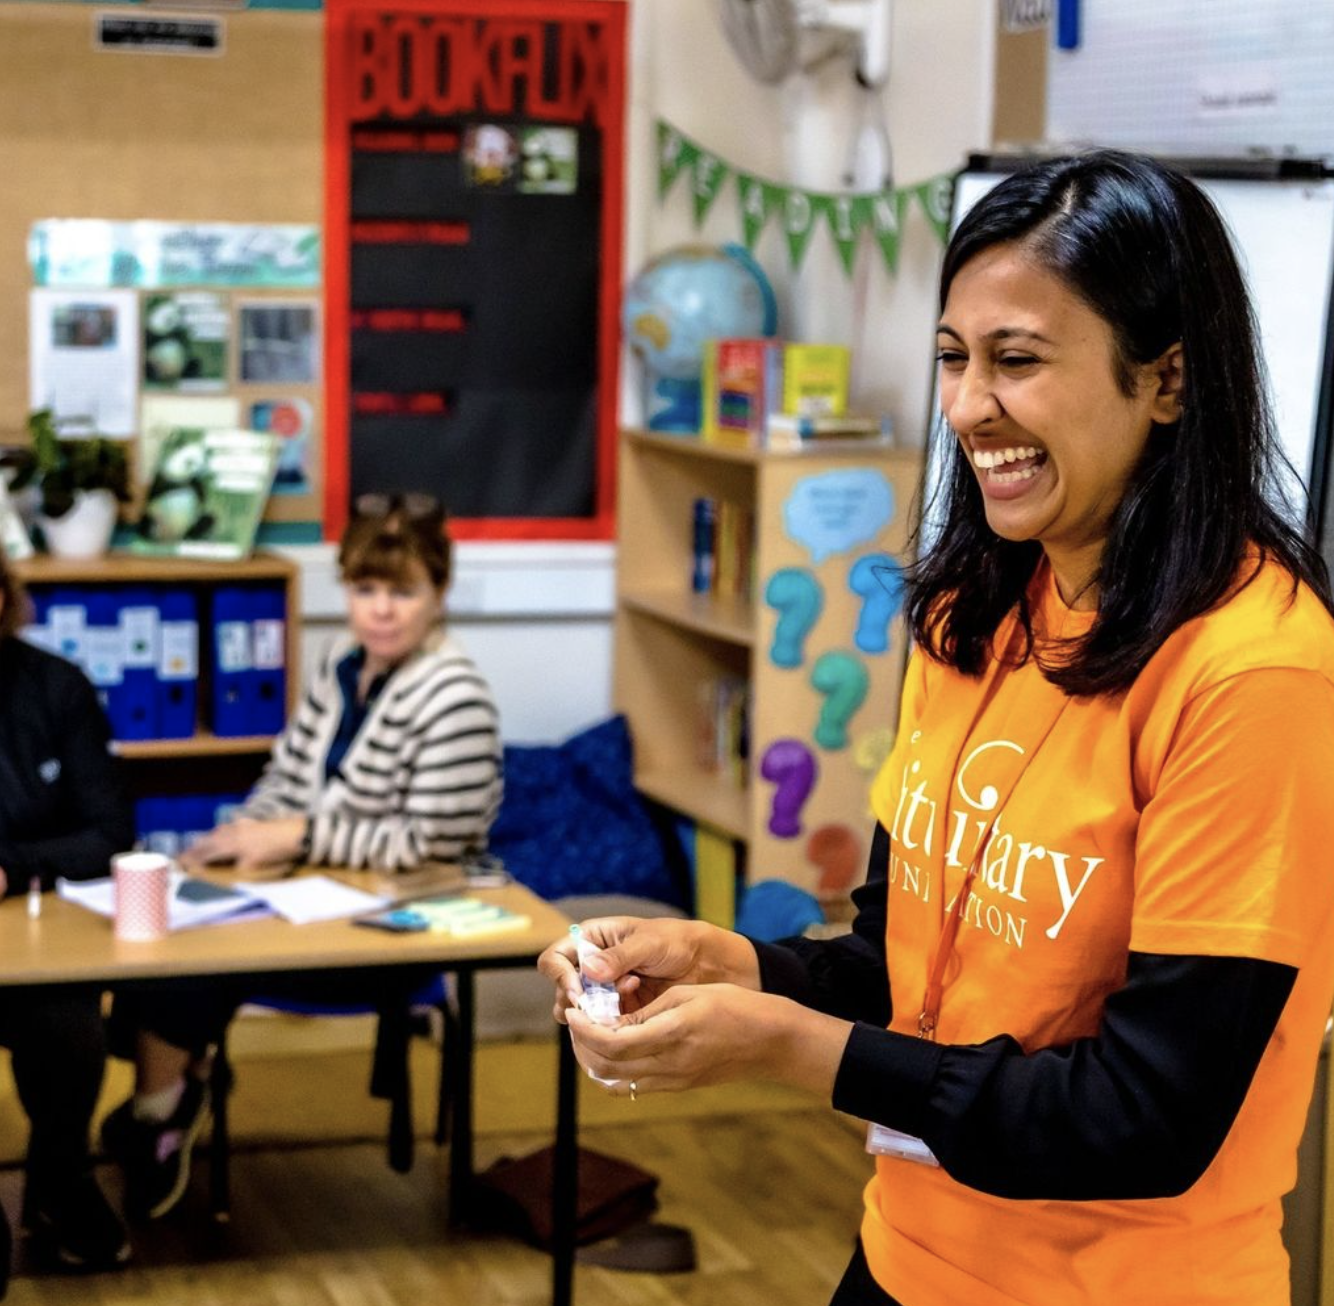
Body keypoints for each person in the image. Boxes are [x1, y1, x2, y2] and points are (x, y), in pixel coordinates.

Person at [538, 149, 1334, 1306]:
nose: (966, 408)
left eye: (1015, 361)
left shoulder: (1254, 669)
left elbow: (1146, 1115)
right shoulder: (972, 612)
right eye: (952, 361)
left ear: (1164, 380)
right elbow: (896, 967)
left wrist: (782, 1049)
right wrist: (737, 967)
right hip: (909, 1258)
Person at [104, 493, 503, 1221]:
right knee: (165, 934)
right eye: (365, 589)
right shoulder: (343, 665)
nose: (380, 610)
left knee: (196, 961)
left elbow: (430, 842)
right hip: (315, 896)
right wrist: (232, 845)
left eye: (402, 591)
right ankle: (174, 1093)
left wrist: (294, 839)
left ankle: (159, 1113)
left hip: (401, 916)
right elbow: (285, 779)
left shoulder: (456, 695)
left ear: (438, 594)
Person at [0, 543, 135, 1273]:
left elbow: (111, 833)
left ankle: (60, 1175)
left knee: (71, 1033)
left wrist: (13, 866)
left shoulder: (58, 688)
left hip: (38, 930)